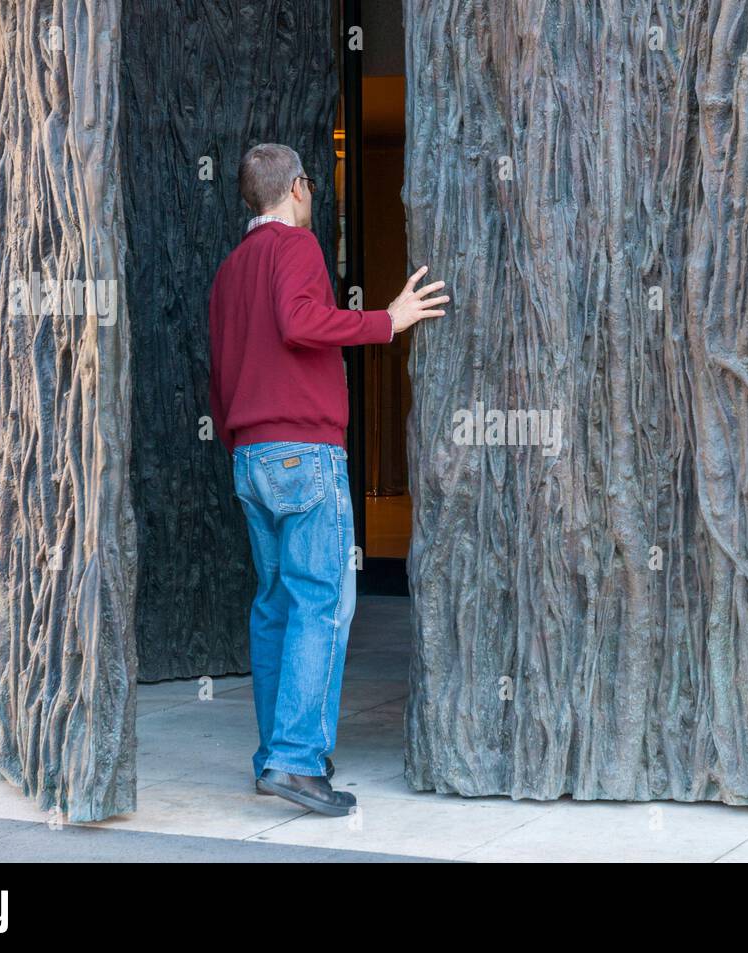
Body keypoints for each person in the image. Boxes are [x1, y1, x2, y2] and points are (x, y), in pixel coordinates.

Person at [208, 143, 447, 816]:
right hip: (303, 453)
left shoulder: (230, 269)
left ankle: (275, 753)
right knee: (322, 603)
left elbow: (221, 370)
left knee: (276, 605)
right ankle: (295, 761)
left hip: (250, 457)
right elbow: (300, 321)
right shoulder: (295, 248)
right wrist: (388, 320)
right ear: (301, 188)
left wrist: (236, 442)